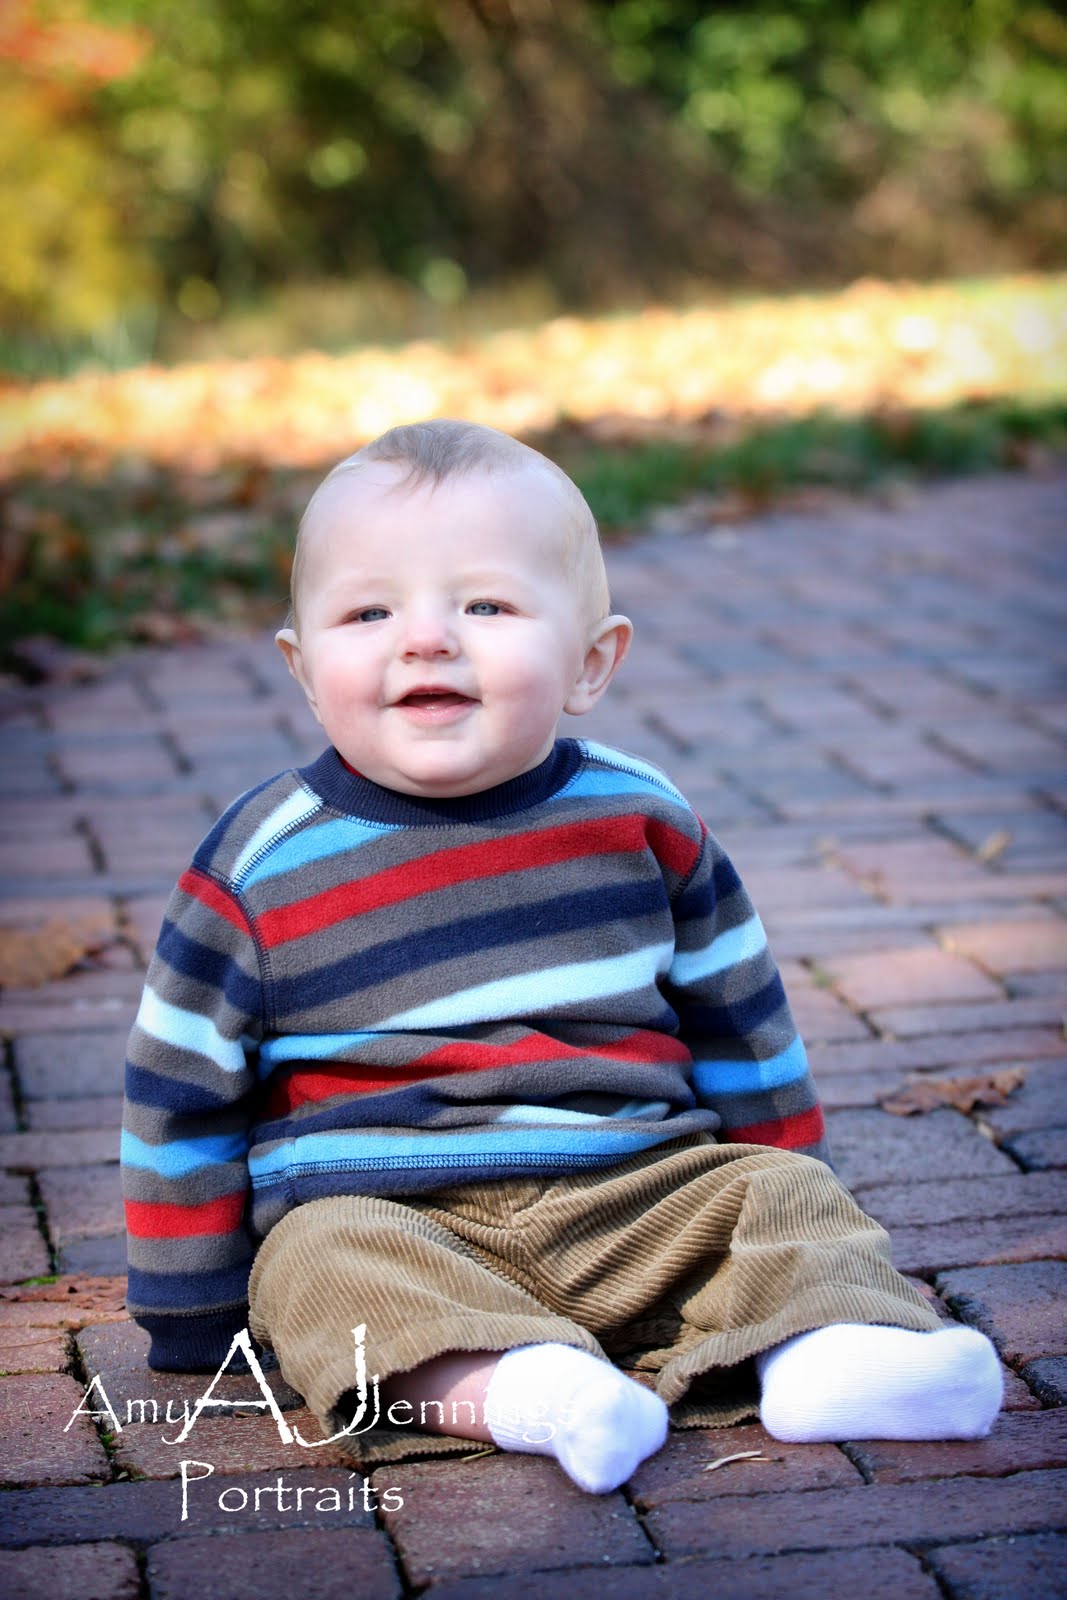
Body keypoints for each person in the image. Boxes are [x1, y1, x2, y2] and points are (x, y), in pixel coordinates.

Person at [122, 419, 1002, 1495]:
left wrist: (782, 1172)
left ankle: (826, 1352)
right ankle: (525, 1391)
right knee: (309, 1269)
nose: (426, 638)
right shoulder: (259, 863)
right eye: (369, 611)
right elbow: (179, 1090)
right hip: (395, 1221)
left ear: (590, 662)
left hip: (633, 1191)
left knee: (781, 1195)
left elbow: (740, 1017)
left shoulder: (640, 818)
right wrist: (189, 1307)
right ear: (305, 670)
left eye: (484, 605)